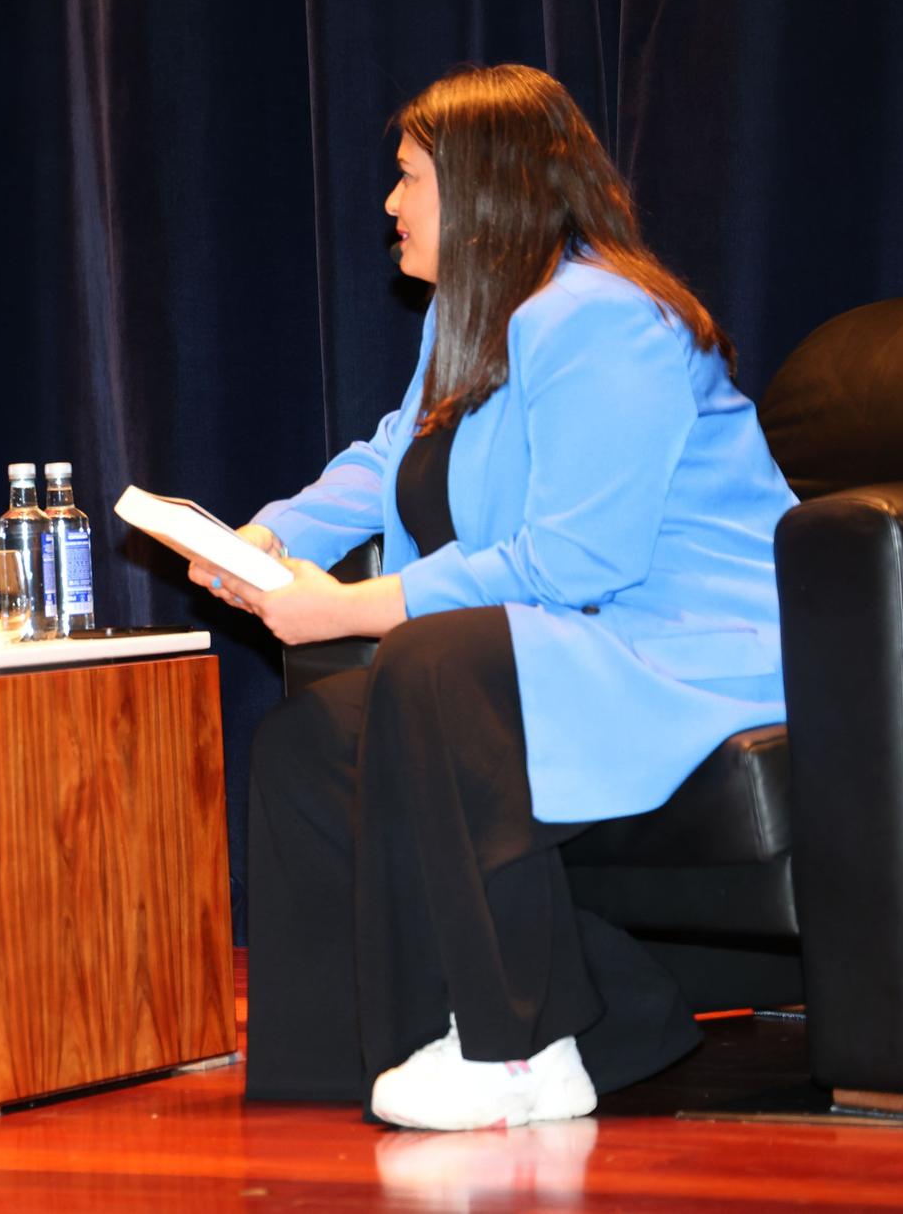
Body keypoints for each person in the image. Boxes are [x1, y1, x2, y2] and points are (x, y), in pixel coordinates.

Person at [191, 64, 796, 1130]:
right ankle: (351, 1052)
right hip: (577, 644)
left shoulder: (601, 319)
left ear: (480, 187)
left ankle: (521, 1047)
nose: (387, 204)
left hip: (690, 653)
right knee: (311, 736)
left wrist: (348, 607)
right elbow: (391, 461)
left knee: (432, 660)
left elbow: (573, 559)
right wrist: (263, 538)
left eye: (406, 178)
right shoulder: (467, 321)